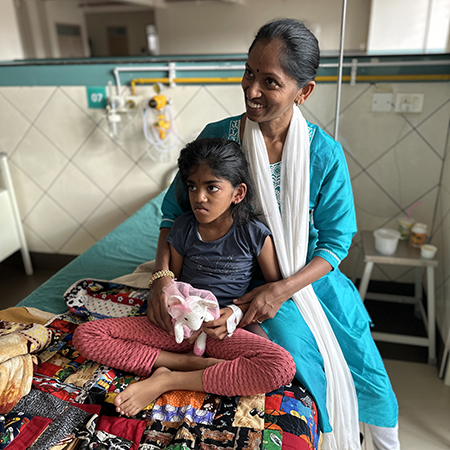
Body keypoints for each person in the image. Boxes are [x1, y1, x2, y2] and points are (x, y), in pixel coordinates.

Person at [147, 18, 400, 450]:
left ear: (304, 91)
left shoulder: (322, 153)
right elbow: (172, 213)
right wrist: (162, 279)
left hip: (302, 277)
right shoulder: (220, 137)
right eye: (248, 73)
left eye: (270, 82)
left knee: (365, 371)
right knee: (297, 359)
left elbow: (337, 241)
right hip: (227, 274)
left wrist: (281, 289)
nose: (251, 90)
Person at [73, 137, 296, 418]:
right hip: (174, 329)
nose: (199, 197)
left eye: (211, 187)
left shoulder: (254, 235)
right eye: (192, 186)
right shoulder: (183, 228)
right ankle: (186, 364)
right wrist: (170, 307)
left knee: (280, 366)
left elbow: (270, 289)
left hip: (221, 332)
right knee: (87, 335)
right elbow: (172, 279)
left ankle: (169, 378)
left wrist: (235, 314)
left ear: (238, 193)